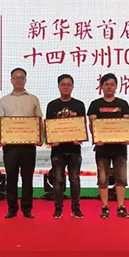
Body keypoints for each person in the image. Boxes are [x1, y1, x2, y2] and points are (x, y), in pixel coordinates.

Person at [0, 68, 43, 219]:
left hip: (28, 146)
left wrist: (39, 138)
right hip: (10, 146)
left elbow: (39, 120)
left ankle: (27, 208)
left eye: (21, 77)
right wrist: (0, 138)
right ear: (11, 80)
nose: (18, 80)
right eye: (15, 77)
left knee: (27, 178)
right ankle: (12, 208)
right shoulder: (4, 99)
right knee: (11, 178)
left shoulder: (33, 99)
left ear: (25, 80)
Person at [88, 73, 129, 219]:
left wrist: (127, 137)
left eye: (112, 84)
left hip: (120, 148)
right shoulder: (95, 104)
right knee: (102, 179)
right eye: (106, 84)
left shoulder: (123, 104)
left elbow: (126, 124)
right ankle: (105, 207)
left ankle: (121, 207)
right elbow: (92, 124)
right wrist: (96, 138)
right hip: (102, 148)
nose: (109, 87)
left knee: (121, 178)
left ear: (116, 86)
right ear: (101, 86)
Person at [45, 74, 86, 219]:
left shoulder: (79, 105)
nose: (66, 87)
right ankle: (58, 208)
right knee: (58, 181)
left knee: (75, 180)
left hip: (74, 149)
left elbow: (82, 125)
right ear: (58, 87)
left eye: (68, 84)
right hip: (58, 150)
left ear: (72, 86)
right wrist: (51, 140)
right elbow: (48, 126)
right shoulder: (52, 105)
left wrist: (79, 138)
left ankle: (76, 208)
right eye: (63, 84)